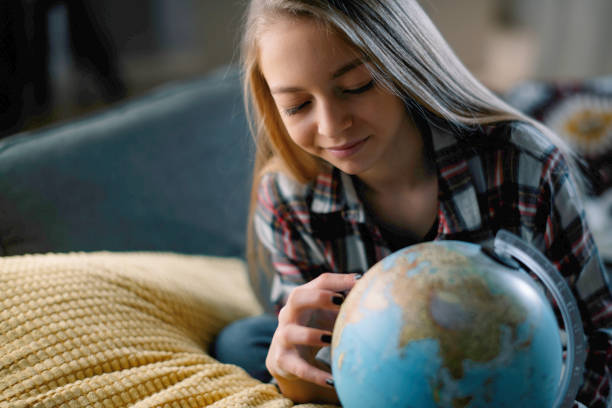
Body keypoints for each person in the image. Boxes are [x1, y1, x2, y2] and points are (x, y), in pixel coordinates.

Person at [211, 1, 612, 405]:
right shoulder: (288, 195)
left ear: (407, 63)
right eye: (297, 106)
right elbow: (316, 362)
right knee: (245, 343)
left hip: (512, 363)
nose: (332, 126)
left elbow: (599, 339)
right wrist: (292, 375)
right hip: (384, 373)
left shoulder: (525, 162)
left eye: (356, 86)